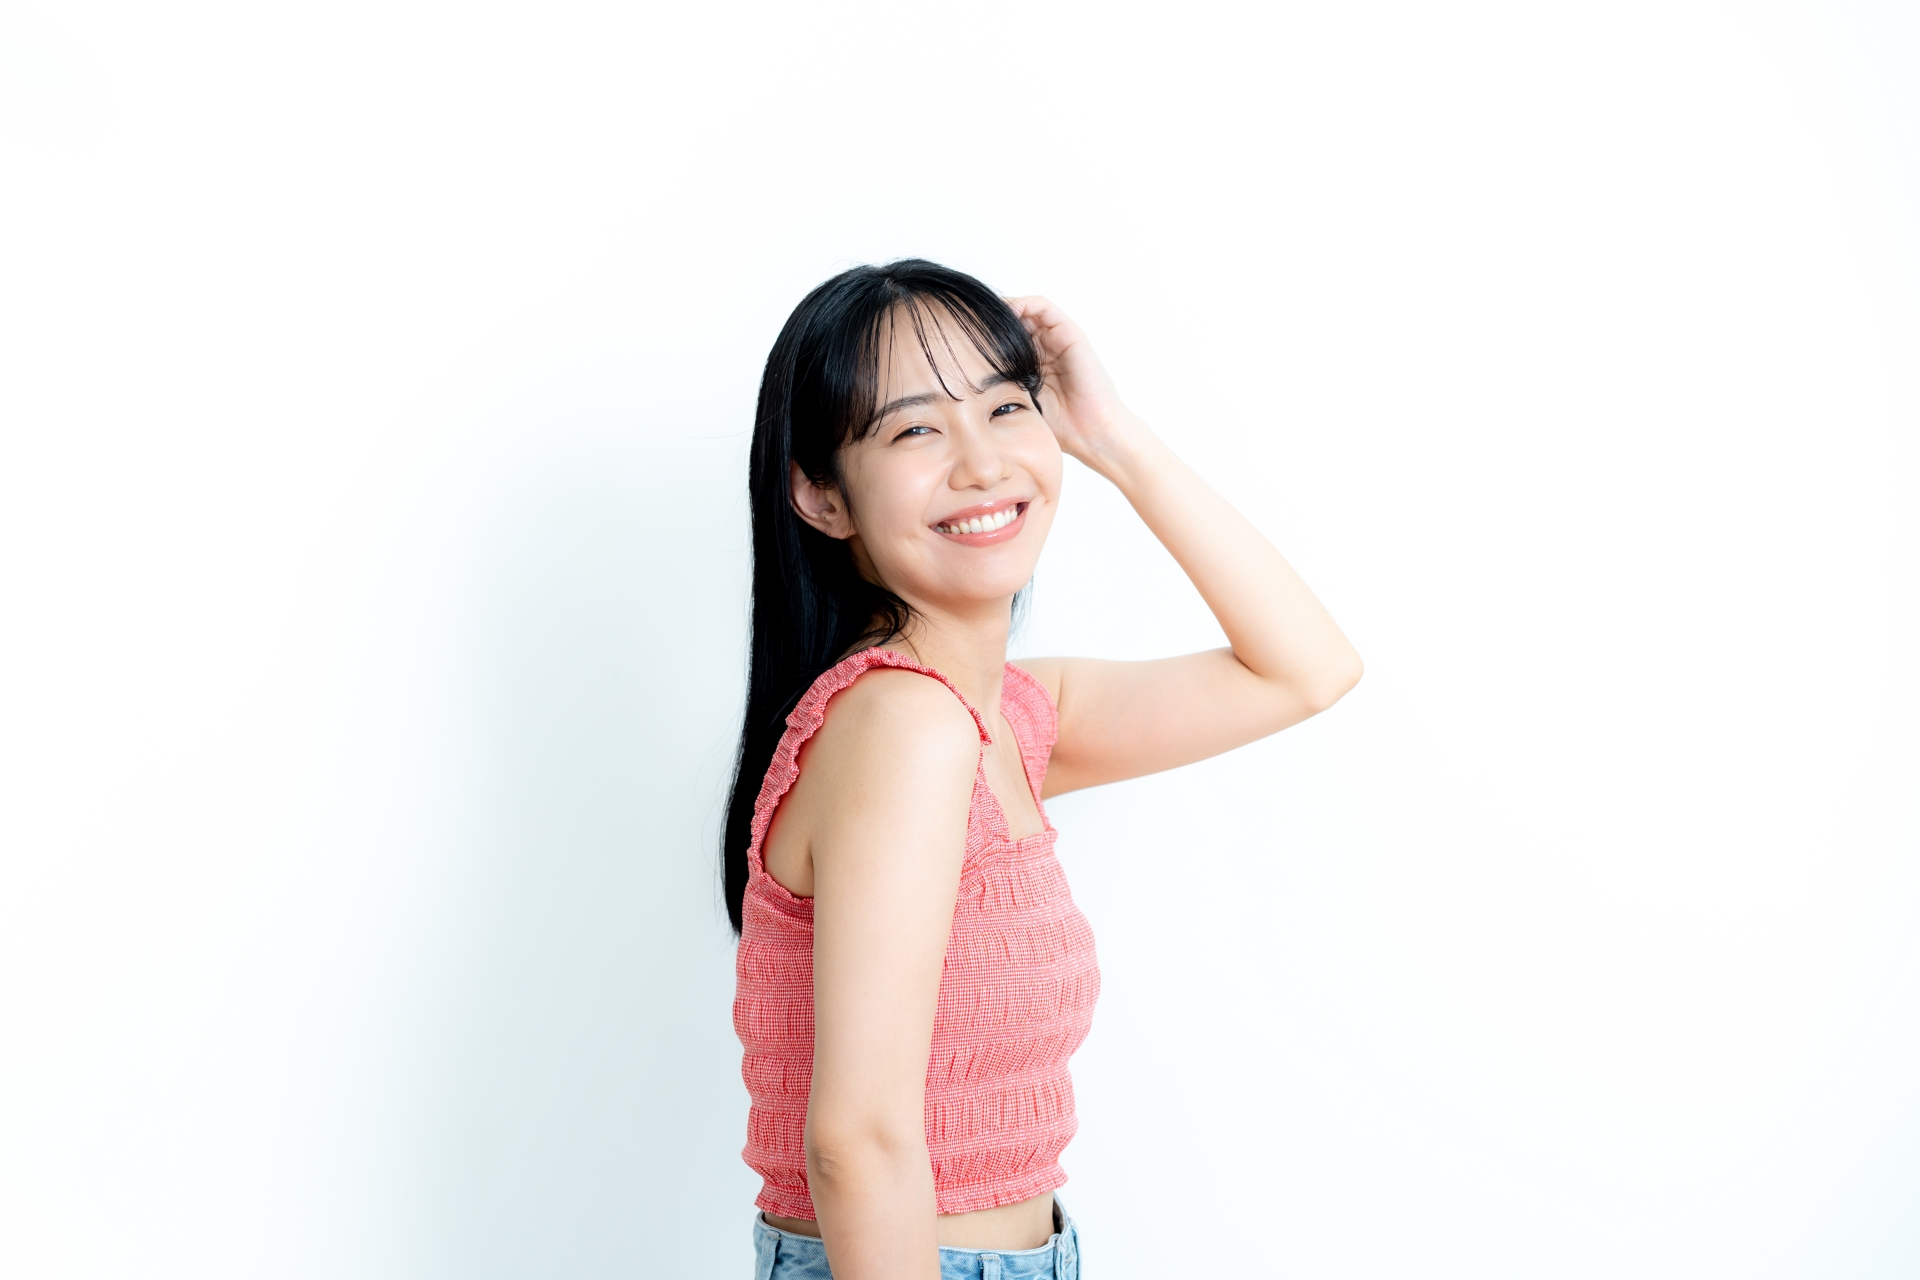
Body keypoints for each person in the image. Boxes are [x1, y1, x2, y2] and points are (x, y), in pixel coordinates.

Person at [725, 259, 1362, 1279]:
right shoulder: (904, 726)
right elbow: (858, 1142)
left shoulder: (1007, 717)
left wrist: (1110, 437)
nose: (982, 464)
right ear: (821, 494)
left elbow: (1307, 669)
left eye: (1005, 408)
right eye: (915, 430)